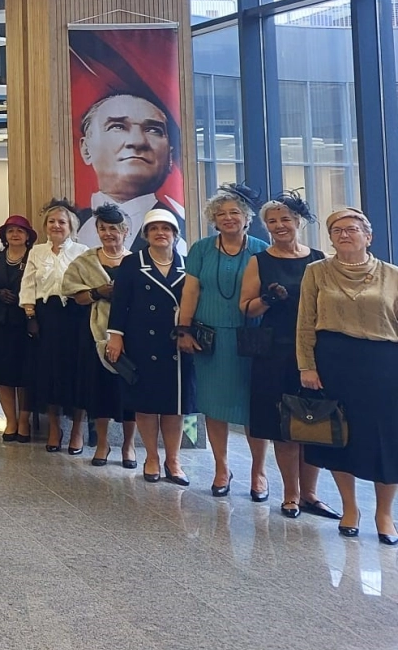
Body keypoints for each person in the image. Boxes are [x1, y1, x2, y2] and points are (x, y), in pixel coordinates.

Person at [297, 207, 398, 541]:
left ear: (368, 236)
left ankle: (384, 514)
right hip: (334, 361)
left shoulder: (392, 275)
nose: (344, 235)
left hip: (383, 363)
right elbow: (305, 322)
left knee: (386, 440)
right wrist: (307, 366)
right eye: (337, 230)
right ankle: (350, 508)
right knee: (340, 435)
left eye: (352, 229)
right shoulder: (316, 271)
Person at [240, 192, 334, 520]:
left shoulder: (320, 259)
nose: (279, 225)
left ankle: (310, 495)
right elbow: (246, 308)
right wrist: (267, 299)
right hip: (275, 352)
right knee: (284, 426)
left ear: (298, 222)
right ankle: (290, 494)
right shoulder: (259, 261)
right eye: (272, 221)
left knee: (315, 422)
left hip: (315, 352)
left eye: (285, 219)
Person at [178, 186, 269, 497]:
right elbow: (190, 291)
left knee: (253, 406)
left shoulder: (261, 249)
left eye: (235, 213)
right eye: (221, 214)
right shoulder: (201, 249)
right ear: (213, 220)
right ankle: (221, 467)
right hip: (209, 338)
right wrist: (183, 329)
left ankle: (259, 471)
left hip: (249, 337)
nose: (228, 218)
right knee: (213, 405)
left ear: (247, 218)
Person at [106, 209, 192, 485]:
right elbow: (120, 303)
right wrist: (115, 336)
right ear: (146, 235)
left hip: (176, 342)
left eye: (166, 229)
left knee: (174, 405)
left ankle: (173, 460)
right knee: (145, 401)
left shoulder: (188, 264)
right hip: (140, 340)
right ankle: (152, 456)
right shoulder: (132, 263)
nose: (160, 233)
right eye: (154, 229)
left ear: (175, 234)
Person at [62, 203, 140, 469]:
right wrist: (98, 292)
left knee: (129, 388)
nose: (108, 234)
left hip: (131, 333)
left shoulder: (136, 262)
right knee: (100, 389)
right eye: (103, 229)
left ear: (125, 231)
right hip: (95, 332)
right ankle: (103, 444)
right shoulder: (85, 261)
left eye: (114, 229)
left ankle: (129, 446)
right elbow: (75, 295)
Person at [75, 91, 184, 249]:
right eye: (117, 127)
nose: (137, 141)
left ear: (170, 156)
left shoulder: (178, 233)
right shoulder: (71, 225)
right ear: (86, 149)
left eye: (153, 130)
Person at [24, 203, 91, 453]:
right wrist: (30, 314)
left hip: (75, 316)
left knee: (76, 373)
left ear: (71, 226)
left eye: (62, 222)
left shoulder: (82, 251)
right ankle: (54, 428)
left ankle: (77, 431)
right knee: (48, 373)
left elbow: (90, 283)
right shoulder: (37, 251)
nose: (56, 226)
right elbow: (28, 284)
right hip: (46, 316)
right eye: (51, 221)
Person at [0, 213, 32, 441]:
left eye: (20, 231)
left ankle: (24, 421)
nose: (15, 234)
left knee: (26, 373)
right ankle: (10, 420)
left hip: (26, 324)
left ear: (28, 236)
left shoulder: (34, 257)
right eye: (10, 231)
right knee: (1, 373)